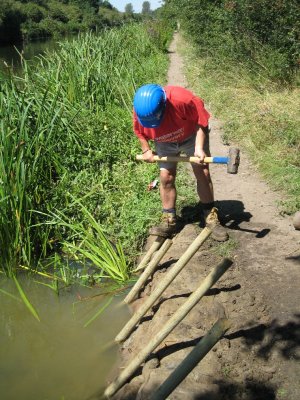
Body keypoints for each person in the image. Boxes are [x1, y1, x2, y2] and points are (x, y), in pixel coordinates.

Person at [133, 83, 228, 241]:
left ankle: (210, 217)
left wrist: (199, 147)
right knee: (166, 178)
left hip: (191, 135)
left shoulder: (182, 99)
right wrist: (146, 150)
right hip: (164, 141)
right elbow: (139, 131)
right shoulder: (141, 111)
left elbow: (202, 121)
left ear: (164, 105)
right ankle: (169, 221)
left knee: (202, 172)